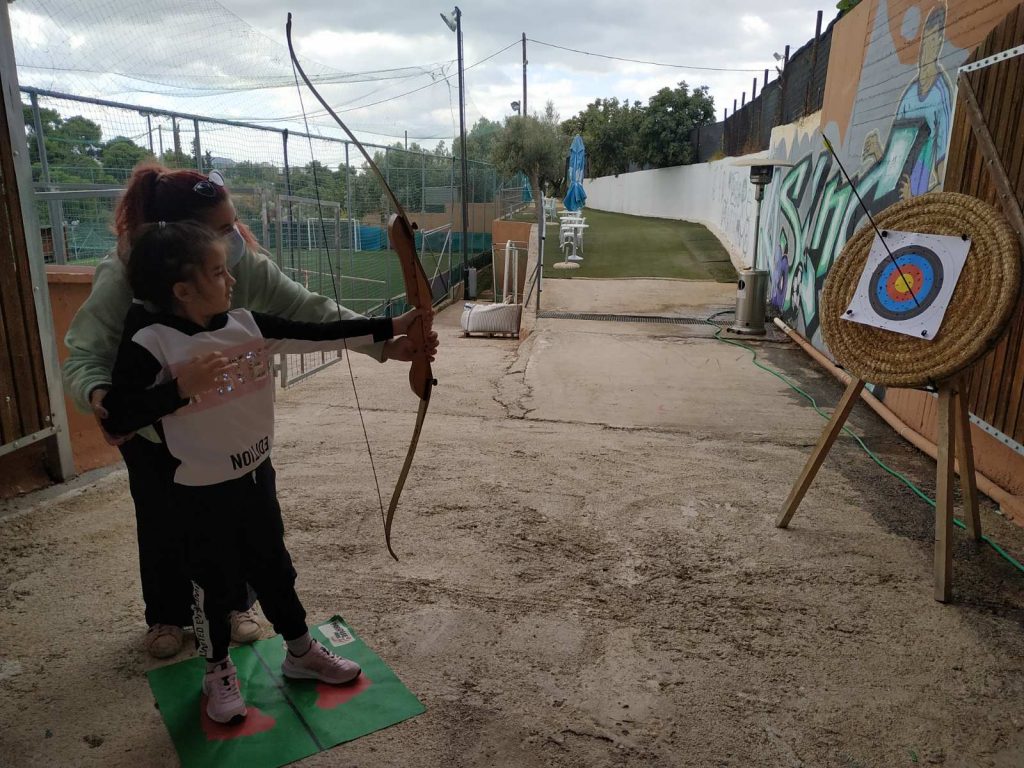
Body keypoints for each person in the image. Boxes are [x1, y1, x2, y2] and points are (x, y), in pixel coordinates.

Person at [63, 163, 439, 658]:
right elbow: (86, 356)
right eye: (222, 229)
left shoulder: (242, 267)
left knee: (248, 521)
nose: (236, 238)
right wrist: (101, 397)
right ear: (178, 239)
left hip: (232, 430)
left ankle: (236, 605)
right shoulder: (128, 273)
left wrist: (387, 341)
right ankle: (167, 614)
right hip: (158, 435)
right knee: (163, 519)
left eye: (233, 223)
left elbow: (308, 315)